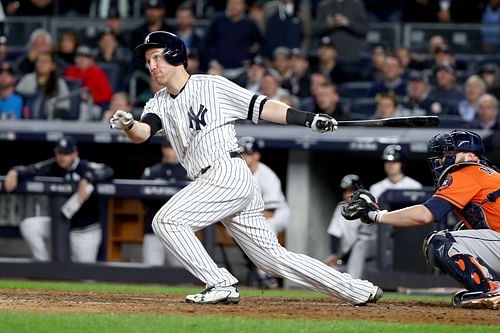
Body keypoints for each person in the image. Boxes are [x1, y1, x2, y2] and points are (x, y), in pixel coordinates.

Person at [109, 30, 382, 305]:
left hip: (226, 172)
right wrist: (129, 126)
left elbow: (263, 107)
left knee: (167, 221)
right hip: (218, 180)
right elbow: (144, 132)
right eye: (148, 61)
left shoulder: (212, 86)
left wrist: (308, 119)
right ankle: (356, 289)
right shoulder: (158, 102)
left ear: (175, 55)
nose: (152, 66)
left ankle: (220, 283)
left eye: (156, 57)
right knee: (273, 260)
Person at [342, 130, 500, 309]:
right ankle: (489, 287)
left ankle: (491, 289)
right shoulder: (487, 173)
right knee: (461, 230)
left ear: (470, 155)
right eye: (442, 154)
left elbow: (425, 214)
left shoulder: (468, 171)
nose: (442, 160)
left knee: (439, 242)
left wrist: (376, 215)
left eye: (449, 154)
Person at [3, 136, 114, 263]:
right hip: (60, 225)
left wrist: (88, 178)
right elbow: (31, 169)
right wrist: (14, 171)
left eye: (66, 153)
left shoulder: (84, 167)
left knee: (86, 279)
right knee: (29, 226)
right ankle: (44, 265)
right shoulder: (53, 166)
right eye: (59, 153)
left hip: (84, 232)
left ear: (74, 153)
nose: (62, 157)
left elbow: (108, 170)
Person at [238, 136, 291, 288]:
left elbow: (270, 211)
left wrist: (248, 220)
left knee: (267, 226)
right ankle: (256, 267)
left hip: (277, 213)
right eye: (242, 154)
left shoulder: (267, 176)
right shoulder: (239, 173)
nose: (244, 157)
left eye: (247, 154)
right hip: (251, 215)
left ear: (256, 156)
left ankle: (268, 275)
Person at [141, 142, 189, 266]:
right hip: (153, 229)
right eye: (165, 147)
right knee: (151, 273)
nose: (168, 151)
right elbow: (143, 198)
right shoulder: (153, 171)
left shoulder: (189, 172)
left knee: (182, 275)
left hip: (180, 231)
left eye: (171, 148)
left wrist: (161, 195)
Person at [325, 174, 372, 279]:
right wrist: (334, 254)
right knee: (331, 271)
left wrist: (341, 259)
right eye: (345, 191)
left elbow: (362, 240)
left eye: (351, 191)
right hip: (348, 256)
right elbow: (335, 231)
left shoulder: (367, 208)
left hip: (370, 258)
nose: (347, 194)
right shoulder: (340, 208)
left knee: (361, 245)